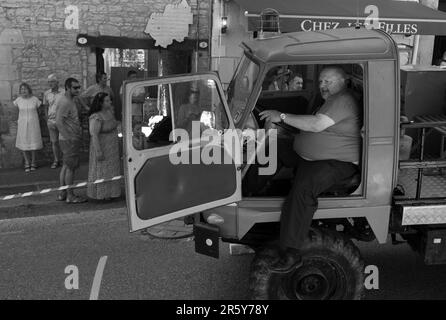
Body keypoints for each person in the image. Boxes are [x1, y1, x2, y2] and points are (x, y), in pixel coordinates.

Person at [259, 67, 362, 273]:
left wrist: (281, 116)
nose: (323, 86)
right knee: (270, 148)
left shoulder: (343, 100)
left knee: (302, 190)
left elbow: (316, 125)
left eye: (328, 82)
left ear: (343, 81)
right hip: (308, 155)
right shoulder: (331, 99)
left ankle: (291, 253)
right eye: (321, 81)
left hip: (335, 162)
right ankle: (251, 192)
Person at [55, 78, 86, 204]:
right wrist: (69, 137)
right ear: (67, 88)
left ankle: (62, 193)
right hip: (69, 139)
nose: (78, 90)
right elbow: (58, 122)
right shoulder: (65, 102)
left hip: (68, 139)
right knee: (70, 168)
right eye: (75, 88)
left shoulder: (70, 100)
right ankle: (70, 195)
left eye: (78, 87)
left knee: (66, 166)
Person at [87, 92, 121, 200]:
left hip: (112, 149)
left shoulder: (110, 112)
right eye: (107, 100)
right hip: (102, 147)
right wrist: (98, 151)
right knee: (102, 171)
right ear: (101, 103)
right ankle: (102, 194)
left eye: (109, 100)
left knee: (111, 170)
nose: (109, 102)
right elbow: (94, 134)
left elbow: (115, 124)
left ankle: (111, 193)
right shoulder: (96, 117)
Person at [13, 83, 43, 172]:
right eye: (22, 89)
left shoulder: (35, 100)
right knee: (23, 142)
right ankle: (27, 162)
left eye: (25, 89)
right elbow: (16, 112)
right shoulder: (18, 100)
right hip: (22, 124)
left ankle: (33, 162)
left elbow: (40, 112)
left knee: (33, 142)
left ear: (29, 90)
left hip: (33, 124)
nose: (23, 91)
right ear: (20, 91)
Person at [43, 74, 65, 169]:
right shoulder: (46, 93)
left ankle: (65, 160)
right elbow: (45, 106)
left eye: (52, 81)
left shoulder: (64, 92)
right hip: (51, 121)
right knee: (54, 142)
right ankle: (56, 160)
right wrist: (46, 117)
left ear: (57, 82)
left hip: (62, 120)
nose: (50, 84)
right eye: (49, 82)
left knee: (63, 141)